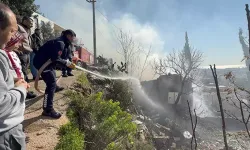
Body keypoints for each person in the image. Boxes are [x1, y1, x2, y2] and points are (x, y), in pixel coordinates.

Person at [0, 3, 29, 149]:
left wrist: (11, 81)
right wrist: (21, 89)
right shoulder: (1, 57)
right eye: (12, 31)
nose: (12, 38)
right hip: (5, 136)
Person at [33, 29, 76, 119]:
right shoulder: (60, 43)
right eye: (73, 37)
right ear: (68, 36)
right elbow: (55, 58)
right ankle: (47, 110)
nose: (73, 40)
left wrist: (67, 62)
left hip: (48, 63)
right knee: (51, 83)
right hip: (42, 63)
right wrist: (66, 63)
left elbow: (62, 57)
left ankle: (55, 88)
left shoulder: (64, 42)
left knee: (52, 78)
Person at [16, 16, 33, 83]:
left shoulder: (27, 29)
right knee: (22, 68)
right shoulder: (18, 27)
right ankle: (24, 84)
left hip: (27, 51)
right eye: (30, 22)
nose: (32, 24)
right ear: (25, 21)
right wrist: (17, 48)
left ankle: (25, 82)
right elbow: (14, 38)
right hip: (22, 51)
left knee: (25, 67)